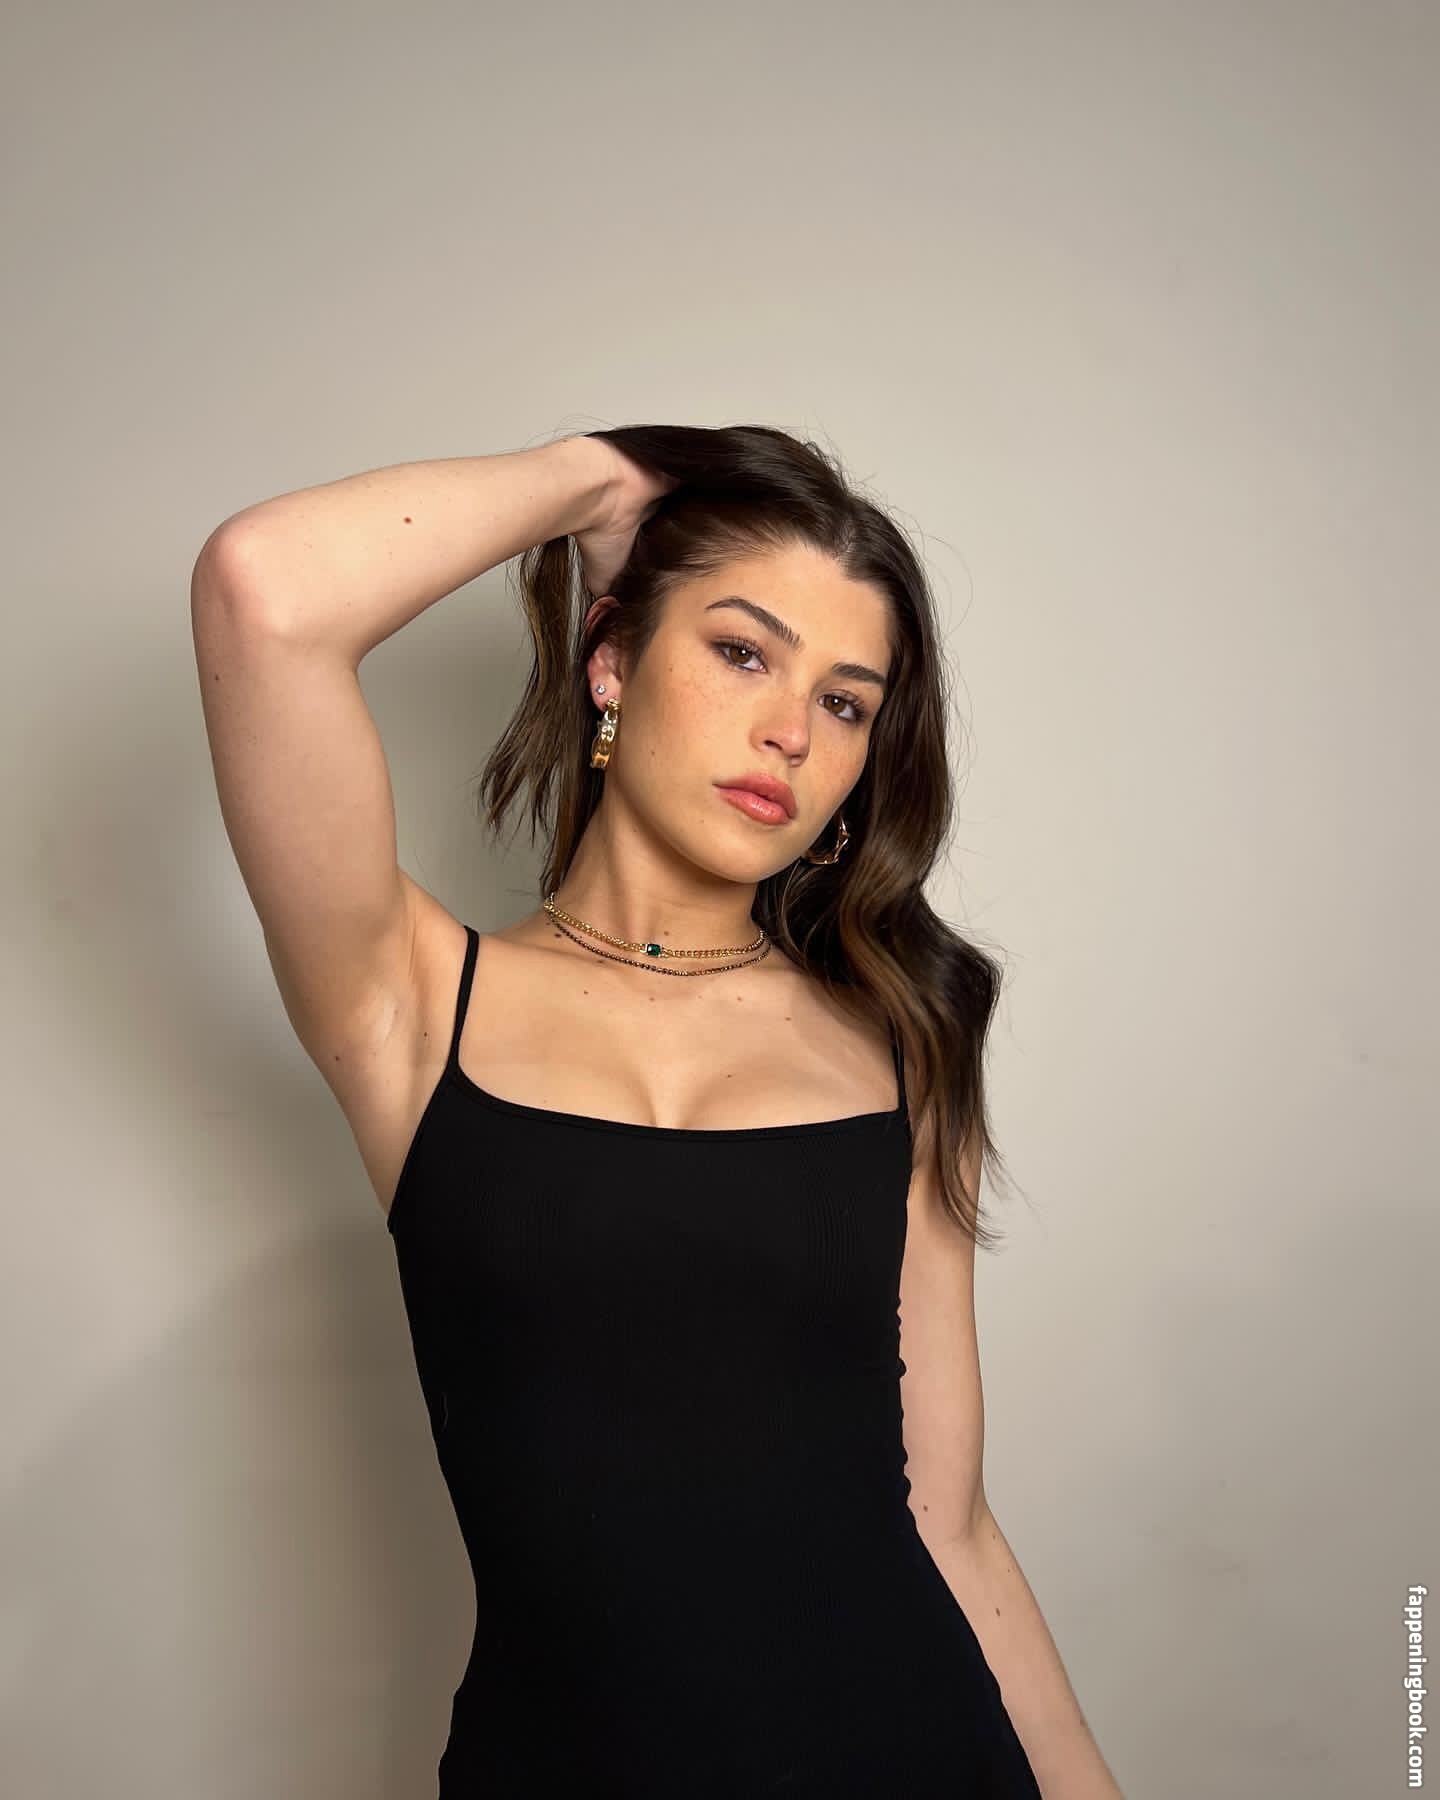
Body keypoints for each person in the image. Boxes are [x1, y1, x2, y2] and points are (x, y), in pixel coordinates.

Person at [190, 426, 1120, 1796]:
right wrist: (593, 479)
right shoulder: (412, 1005)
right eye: (743, 652)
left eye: (847, 703)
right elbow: (261, 591)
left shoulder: (903, 1041)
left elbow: (950, 1521)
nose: (792, 731)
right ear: (612, 660)